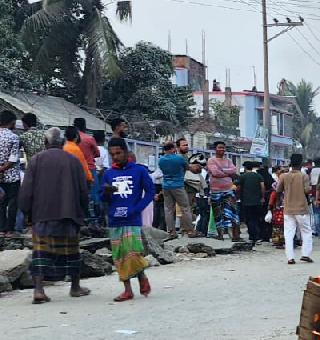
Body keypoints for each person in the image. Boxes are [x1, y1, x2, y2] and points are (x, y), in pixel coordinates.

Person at [18, 127, 91, 303]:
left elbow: (26, 190)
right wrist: (83, 210)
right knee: (71, 251)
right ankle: (75, 286)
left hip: (42, 213)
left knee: (41, 252)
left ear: (46, 142)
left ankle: (38, 289)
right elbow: (83, 189)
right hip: (69, 214)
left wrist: (26, 211)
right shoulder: (73, 160)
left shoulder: (35, 160)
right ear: (63, 143)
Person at [101, 137, 155, 302]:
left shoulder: (139, 171)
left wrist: (137, 208)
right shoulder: (108, 174)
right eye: (112, 154)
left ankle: (142, 277)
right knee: (119, 256)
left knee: (132, 253)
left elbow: (151, 191)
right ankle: (127, 290)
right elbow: (100, 197)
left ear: (126, 152)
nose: (115, 157)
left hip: (132, 219)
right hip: (114, 219)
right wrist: (106, 193)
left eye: (118, 153)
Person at [158, 141, 199, 239]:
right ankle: (190, 230)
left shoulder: (161, 160)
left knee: (168, 209)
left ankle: (171, 231)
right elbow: (188, 167)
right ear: (173, 148)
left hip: (166, 186)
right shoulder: (178, 158)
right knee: (185, 208)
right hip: (178, 186)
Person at [277, 153, 313, 264]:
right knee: (306, 231)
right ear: (301, 163)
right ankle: (305, 254)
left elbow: (278, 190)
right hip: (301, 208)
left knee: (288, 233)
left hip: (288, 208)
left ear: (290, 163)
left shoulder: (284, 176)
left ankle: (290, 257)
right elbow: (307, 191)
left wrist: (278, 202)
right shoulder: (304, 176)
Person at [207, 141, 240, 241]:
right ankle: (220, 234)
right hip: (216, 190)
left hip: (228, 189)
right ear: (215, 149)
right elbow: (214, 172)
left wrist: (221, 170)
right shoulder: (211, 160)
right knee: (218, 212)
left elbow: (234, 170)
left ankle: (235, 235)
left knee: (233, 212)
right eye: (219, 147)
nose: (222, 149)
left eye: (223, 148)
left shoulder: (228, 160)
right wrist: (226, 171)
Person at [0, 110, 21, 237]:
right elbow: (12, 159)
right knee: (13, 203)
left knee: (1, 202)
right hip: (12, 175)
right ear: (11, 122)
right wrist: (2, 169)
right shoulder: (14, 137)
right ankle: (9, 230)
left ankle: (1, 229)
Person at [237, 161, 266, 242]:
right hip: (257, 201)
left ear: (245, 168)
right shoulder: (258, 176)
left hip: (246, 201)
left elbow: (238, 188)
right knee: (256, 218)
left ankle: (252, 236)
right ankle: (258, 235)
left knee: (249, 219)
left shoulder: (242, 177)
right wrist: (262, 197)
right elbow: (262, 187)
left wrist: (237, 196)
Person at [309, 158, 320, 239]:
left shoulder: (312, 171)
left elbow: (310, 182)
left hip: (314, 193)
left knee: (316, 214)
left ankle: (319, 233)